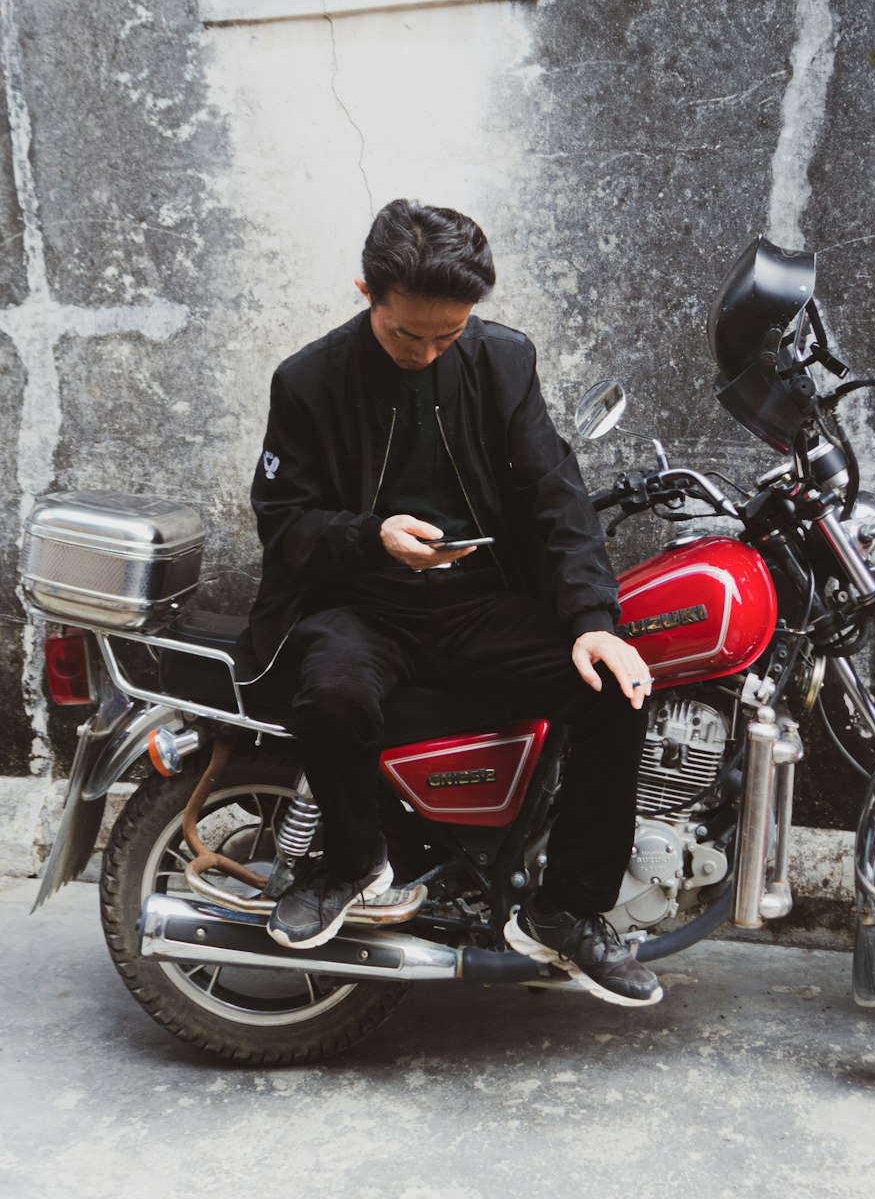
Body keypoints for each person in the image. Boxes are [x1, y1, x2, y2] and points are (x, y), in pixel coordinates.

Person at [236, 199, 661, 1007]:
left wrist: (594, 625)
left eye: (448, 334)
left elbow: (556, 497)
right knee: (328, 696)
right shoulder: (306, 380)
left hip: (479, 603)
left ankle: (565, 911)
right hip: (362, 608)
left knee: (617, 687)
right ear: (368, 292)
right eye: (407, 335)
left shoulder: (504, 362)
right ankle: (353, 861)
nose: (427, 351)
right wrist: (372, 538)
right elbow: (283, 524)